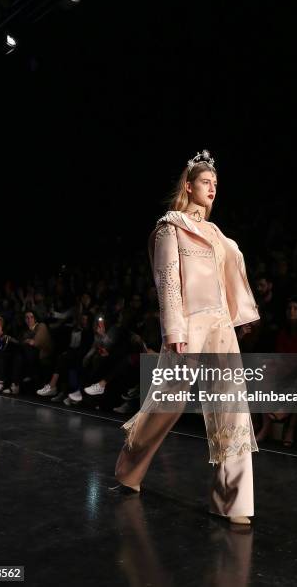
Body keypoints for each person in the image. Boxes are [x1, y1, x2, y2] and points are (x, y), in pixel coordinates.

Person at [111, 149, 261, 526]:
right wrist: (174, 330)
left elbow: (231, 275)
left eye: (215, 184)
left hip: (220, 327)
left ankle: (233, 502)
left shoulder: (216, 234)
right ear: (189, 186)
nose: (212, 188)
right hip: (188, 327)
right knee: (167, 403)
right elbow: (168, 282)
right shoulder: (170, 227)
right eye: (205, 182)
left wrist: (236, 318)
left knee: (233, 409)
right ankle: (129, 468)